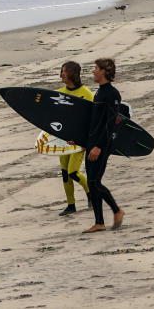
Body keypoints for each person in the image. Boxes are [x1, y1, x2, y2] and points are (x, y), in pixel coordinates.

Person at [82, 57, 125, 233]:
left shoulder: (112, 94)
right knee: (92, 184)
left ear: (104, 71)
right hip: (92, 142)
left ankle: (117, 211)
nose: (93, 71)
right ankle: (99, 222)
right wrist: (84, 142)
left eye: (96, 68)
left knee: (94, 181)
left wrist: (99, 146)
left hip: (102, 144)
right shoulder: (99, 93)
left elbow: (110, 123)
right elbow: (94, 122)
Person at [55, 61, 94, 216]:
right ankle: (71, 205)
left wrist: (85, 141)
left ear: (72, 73)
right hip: (64, 139)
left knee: (73, 172)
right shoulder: (59, 93)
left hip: (79, 140)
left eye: (64, 71)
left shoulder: (86, 94)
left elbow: (91, 120)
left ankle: (90, 193)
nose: (61, 74)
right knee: (65, 173)